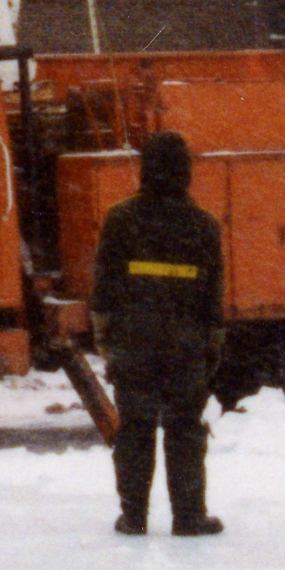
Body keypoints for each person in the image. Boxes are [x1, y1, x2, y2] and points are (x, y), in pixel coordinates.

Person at [91, 128, 226, 538]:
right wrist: (211, 348)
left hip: (134, 340)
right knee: (185, 427)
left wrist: (105, 339)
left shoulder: (120, 219)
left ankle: (133, 516)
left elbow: (104, 287)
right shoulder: (203, 225)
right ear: (186, 172)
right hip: (185, 343)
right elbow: (213, 296)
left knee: (135, 427)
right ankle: (188, 516)